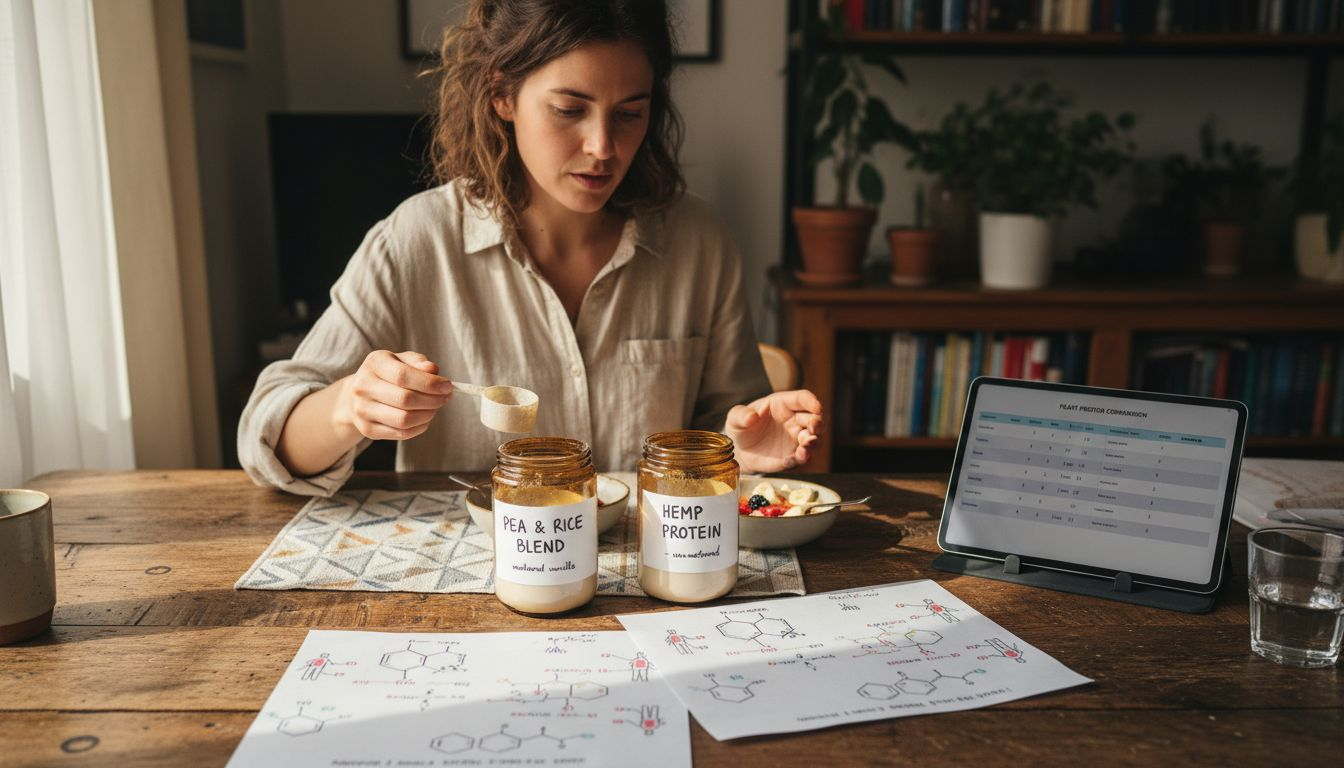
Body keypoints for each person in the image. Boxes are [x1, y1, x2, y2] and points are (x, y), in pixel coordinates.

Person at [238, 0, 823, 496]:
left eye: (630, 114)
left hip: (655, 570)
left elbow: (728, 431)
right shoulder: (417, 240)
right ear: (502, 95)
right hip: (477, 576)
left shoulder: (700, 243)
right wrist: (350, 407)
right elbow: (265, 436)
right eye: (569, 110)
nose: (602, 146)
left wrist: (744, 449)